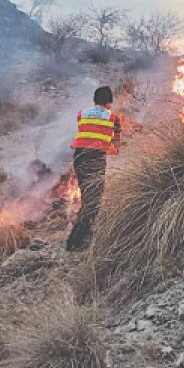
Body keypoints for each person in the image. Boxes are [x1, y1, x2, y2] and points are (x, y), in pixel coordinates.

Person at [66, 86, 121, 251]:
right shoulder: (113, 117)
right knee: (93, 202)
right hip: (94, 160)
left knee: (87, 198)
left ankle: (81, 237)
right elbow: (116, 142)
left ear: (94, 100)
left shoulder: (82, 113)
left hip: (79, 157)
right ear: (109, 102)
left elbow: (85, 132)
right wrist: (112, 149)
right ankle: (77, 241)